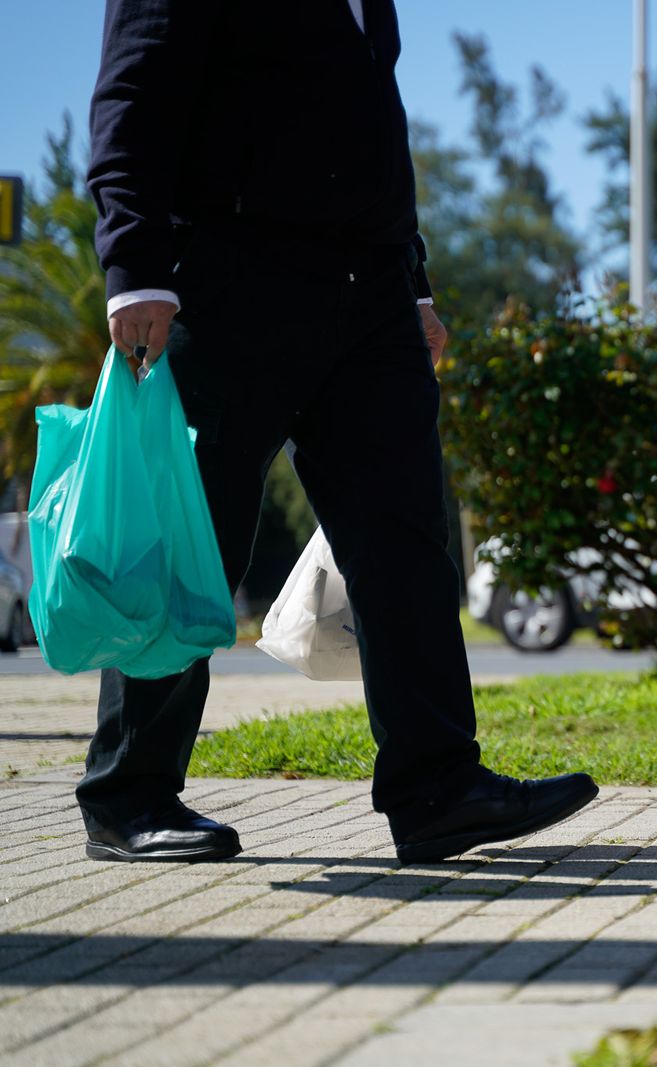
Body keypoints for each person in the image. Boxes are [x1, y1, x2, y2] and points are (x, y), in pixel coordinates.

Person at [82, 0, 597, 863]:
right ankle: (127, 792)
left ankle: (436, 787)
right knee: (190, 545)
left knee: (406, 538)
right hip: (224, 274)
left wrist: (414, 278)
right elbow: (134, 85)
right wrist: (132, 263)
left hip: (369, 290)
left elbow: (370, 127)